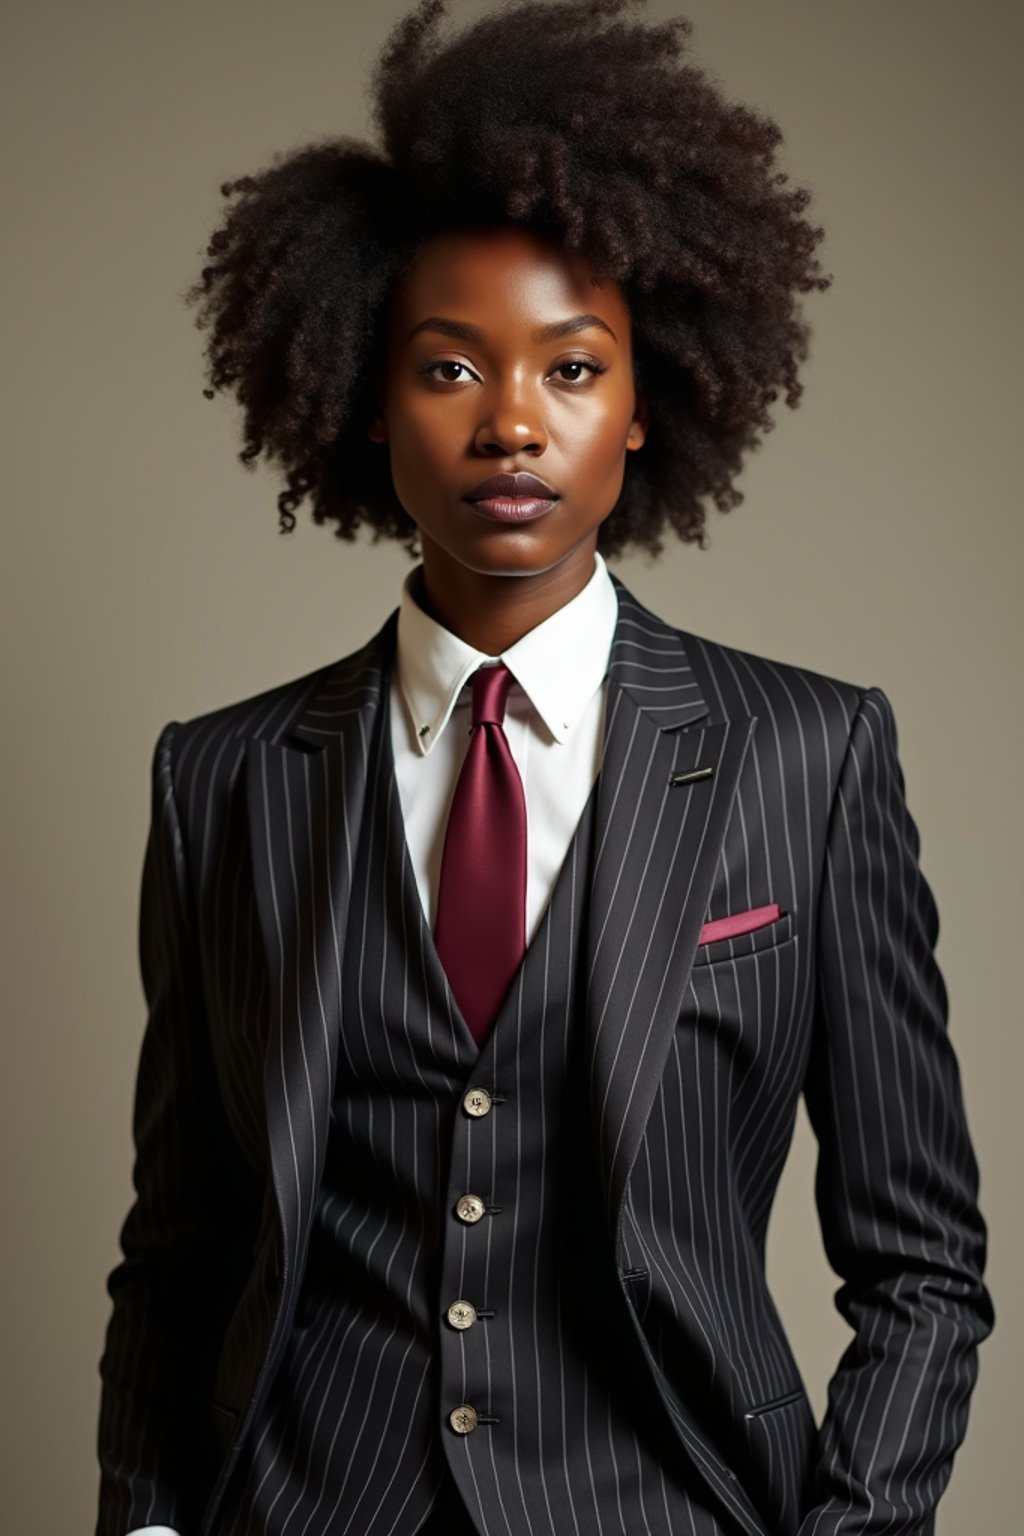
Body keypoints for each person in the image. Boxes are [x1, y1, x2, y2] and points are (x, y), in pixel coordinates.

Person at [95, 2, 994, 1533]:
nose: (513, 423)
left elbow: (921, 1266)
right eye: (449, 371)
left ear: (644, 406)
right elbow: (181, 1248)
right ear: (366, 401)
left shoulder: (810, 756)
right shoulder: (226, 782)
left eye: (572, 370)